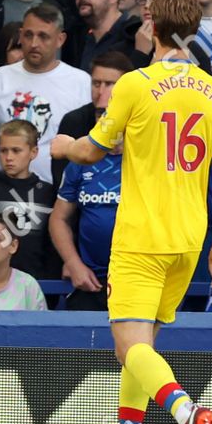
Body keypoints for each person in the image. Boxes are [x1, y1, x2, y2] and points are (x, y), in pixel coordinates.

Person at [51, 0, 212, 424]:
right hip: (189, 237)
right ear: (193, 28)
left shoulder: (135, 84)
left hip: (141, 235)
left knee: (127, 344)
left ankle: (186, 411)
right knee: (142, 345)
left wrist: (63, 146)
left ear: (153, 25)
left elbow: (93, 149)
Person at [0, 2, 91, 182]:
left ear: (60, 40)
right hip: (3, 193)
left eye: (43, 36)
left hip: (58, 194)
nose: (34, 43)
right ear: (21, 35)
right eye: (28, 35)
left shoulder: (80, 82)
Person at [50, 52, 131, 311]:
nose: (103, 120)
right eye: (99, 116)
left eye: (109, 116)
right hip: (89, 278)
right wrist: (73, 262)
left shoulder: (144, 163)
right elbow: (59, 217)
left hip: (134, 278)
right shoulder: (80, 162)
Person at [0, 119, 58, 281]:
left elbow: (52, 246)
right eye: (3, 151)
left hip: (38, 283)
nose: (9, 157)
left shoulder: (47, 193)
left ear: (33, 152)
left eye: (16, 151)